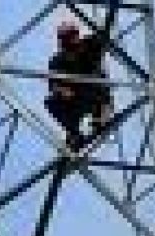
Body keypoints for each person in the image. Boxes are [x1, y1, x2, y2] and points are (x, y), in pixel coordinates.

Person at [44, 20, 111, 148]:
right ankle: (74, 133)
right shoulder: (58, 61)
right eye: (67, 38)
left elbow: (104, 36)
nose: (72, 39)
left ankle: (101, 114)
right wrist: (62, 91)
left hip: (96, 92)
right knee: (51, 102)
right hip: (76, 98)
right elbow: (53, 84)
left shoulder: (90, 43)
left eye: (73, 35)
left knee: (98, 88)